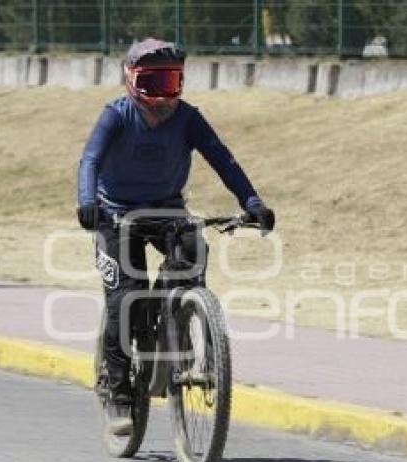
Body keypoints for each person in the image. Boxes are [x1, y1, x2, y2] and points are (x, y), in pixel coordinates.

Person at [76, 38, 275, 434]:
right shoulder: (116, 117)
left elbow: (222, 157)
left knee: (193, 250)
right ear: (132, 82)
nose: (163, 95)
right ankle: (117, 392)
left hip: (165, 208)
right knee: (125, 296)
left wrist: (252, 201)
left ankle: (172, 316)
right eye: (153, 82)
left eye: (171, 81)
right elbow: (91, 160)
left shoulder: (188, 118)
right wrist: (87, 202)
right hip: (114, 213)